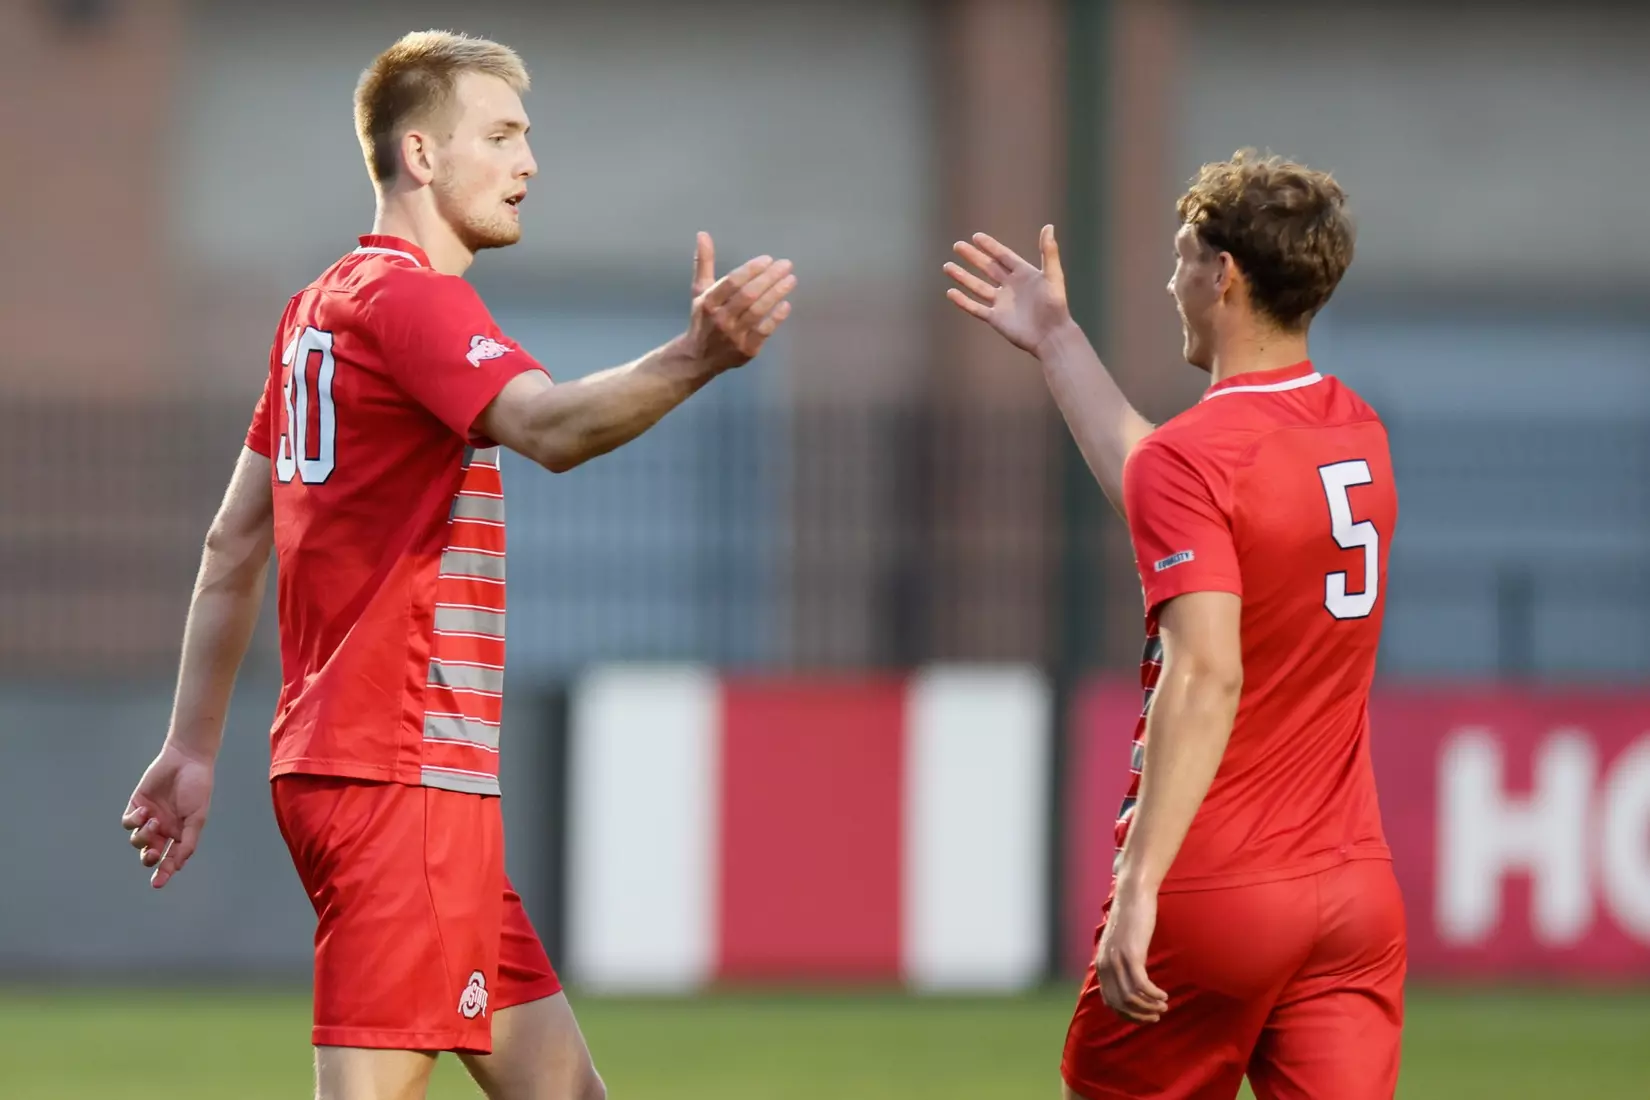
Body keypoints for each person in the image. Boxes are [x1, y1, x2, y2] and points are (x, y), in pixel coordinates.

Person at [119, 29, 796, 1100]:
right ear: (423, 155)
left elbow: (231, 539)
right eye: (505, 134)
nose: (529, 163)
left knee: (567, 1092)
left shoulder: (314, 310)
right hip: (399, 772)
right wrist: (697, 356)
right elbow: (553, 427)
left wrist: (192, 745)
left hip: (367, 767)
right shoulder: (410, 301)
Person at [945, 149, 1403, 1100]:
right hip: (1354, 894)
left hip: (1220, 890)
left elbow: (1207, 674)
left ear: (1222, 275)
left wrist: (1140, 887)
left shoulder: (1195, 458)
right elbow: (1168, 484)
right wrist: (1058, 340)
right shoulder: (1355, 430)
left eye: (1181, 257)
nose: (1169, 281)